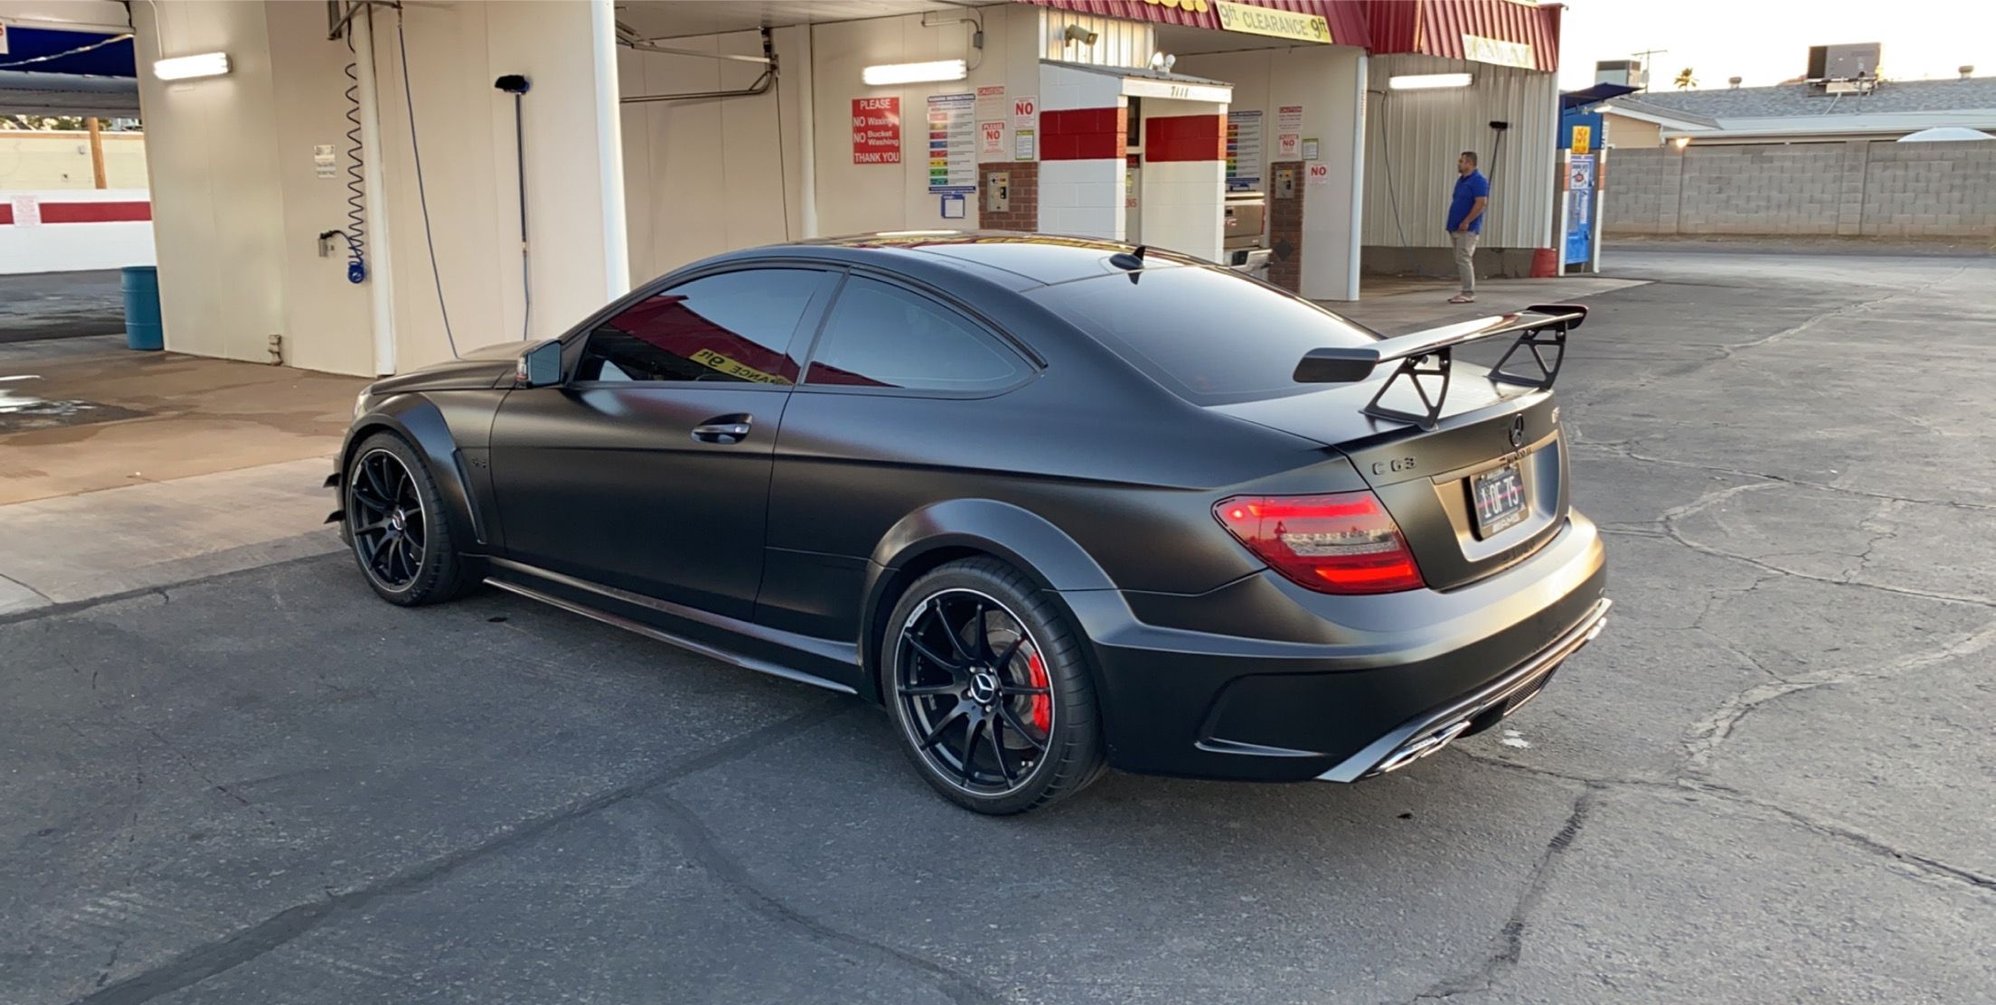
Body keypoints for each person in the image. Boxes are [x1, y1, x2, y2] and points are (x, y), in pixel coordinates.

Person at [1446, 151, 1490, 304]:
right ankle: (1465, 290)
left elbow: (1480, 203)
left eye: (1461, 161)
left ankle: (1468, 292)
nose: (1459, 164)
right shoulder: (1462, 181)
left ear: (1469, 163)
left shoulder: (1478, 181)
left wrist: (1467, 221)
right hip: (1455, 226)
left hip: (1467, 228)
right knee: (1459, 258)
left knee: (1464, 258)